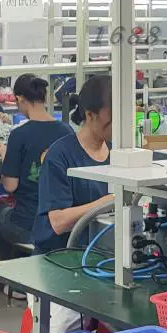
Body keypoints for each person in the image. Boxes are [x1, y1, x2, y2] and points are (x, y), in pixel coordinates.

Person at [0, 74, 73, 258]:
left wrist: (5, 155)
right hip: (60, 225)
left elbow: (10, 186)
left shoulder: (19, 135)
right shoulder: (66, 131)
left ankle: (5, 270)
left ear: (20, 99)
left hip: (28, 224)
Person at [32, 74, 112, 254]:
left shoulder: (117, 152)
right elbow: (58, 222)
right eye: (114, 117)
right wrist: (107, 203)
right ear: (90, 115)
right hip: (59, 256)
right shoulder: (60, 156)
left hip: (100, 251)